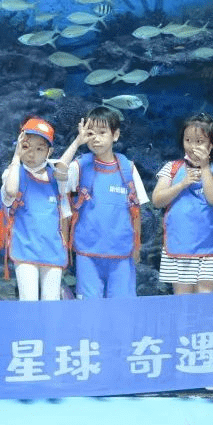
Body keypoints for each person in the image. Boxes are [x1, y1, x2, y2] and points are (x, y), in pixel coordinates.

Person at [55, 106, 150, 299]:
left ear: (115, 135)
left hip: (122, 254)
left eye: (102, 132)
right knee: (90, 308)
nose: (95, 138)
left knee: (122, 306)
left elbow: (135, 211)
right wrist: (77, 141)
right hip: (87, 253)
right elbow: (59, 173)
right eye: (90, 133)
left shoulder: (128, 169)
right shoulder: (80, 166)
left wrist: (137, 247)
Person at [150, 113, 213, 294]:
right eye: (188, 140)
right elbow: (157, 200)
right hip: (179, 245)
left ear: (212, 143)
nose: (192, 146)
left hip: (211, 248)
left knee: (206, 299)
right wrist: (182, 184)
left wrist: (205, 167)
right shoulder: (172, 168)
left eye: (199, 141)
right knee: (183, 300)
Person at [0, 117, 70, 301]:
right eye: (26, 147)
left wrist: (65, 248)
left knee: (51, 303)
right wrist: (16, 157)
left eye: (40, 149)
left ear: (49, 151)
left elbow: (64, 214)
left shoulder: (56, 178)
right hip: (25, 249)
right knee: (28, 301)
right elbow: (11, 191)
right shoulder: (13, 173)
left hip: (53, 249)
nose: (32, 154)